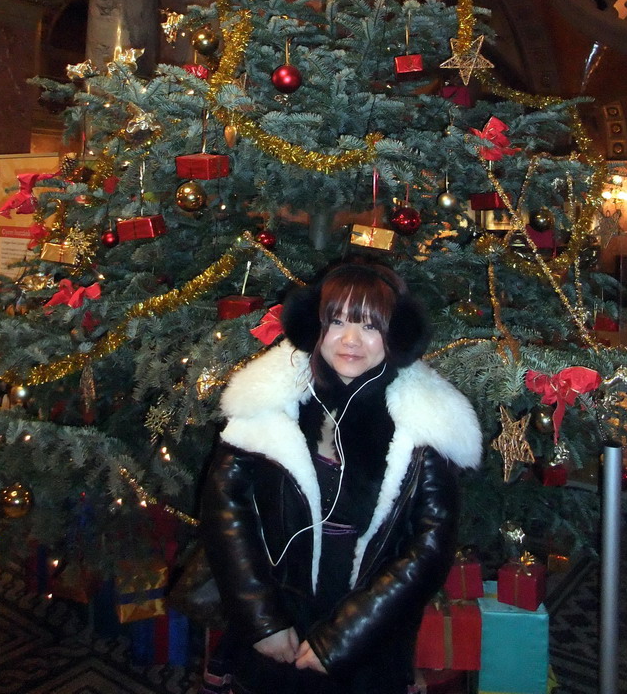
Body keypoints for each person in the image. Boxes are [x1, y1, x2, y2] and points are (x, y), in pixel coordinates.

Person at [200, 261, 482, 694]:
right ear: (316, 327)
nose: (351, 340)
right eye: (338, 321)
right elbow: (226, 512)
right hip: (277, 621)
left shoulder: (422, 425)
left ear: (396, 336)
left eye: (370, 326)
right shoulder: (269, 406)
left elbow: (429, 545)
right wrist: (263, 621)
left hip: (368, 632)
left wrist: (345, 636)